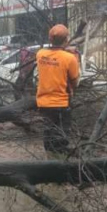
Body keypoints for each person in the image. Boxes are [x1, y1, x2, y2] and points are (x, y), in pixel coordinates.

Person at [36, 25, 80, 153]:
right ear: (66, 40)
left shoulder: (40, 54)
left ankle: (48, 160)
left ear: (50, 39)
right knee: (61, 137)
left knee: (48, 134)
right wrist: (74, 57)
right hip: (61, 102)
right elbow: (75, 81)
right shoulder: (70, 58)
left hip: (43, 103)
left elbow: (54, 55)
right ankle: (59, 162)